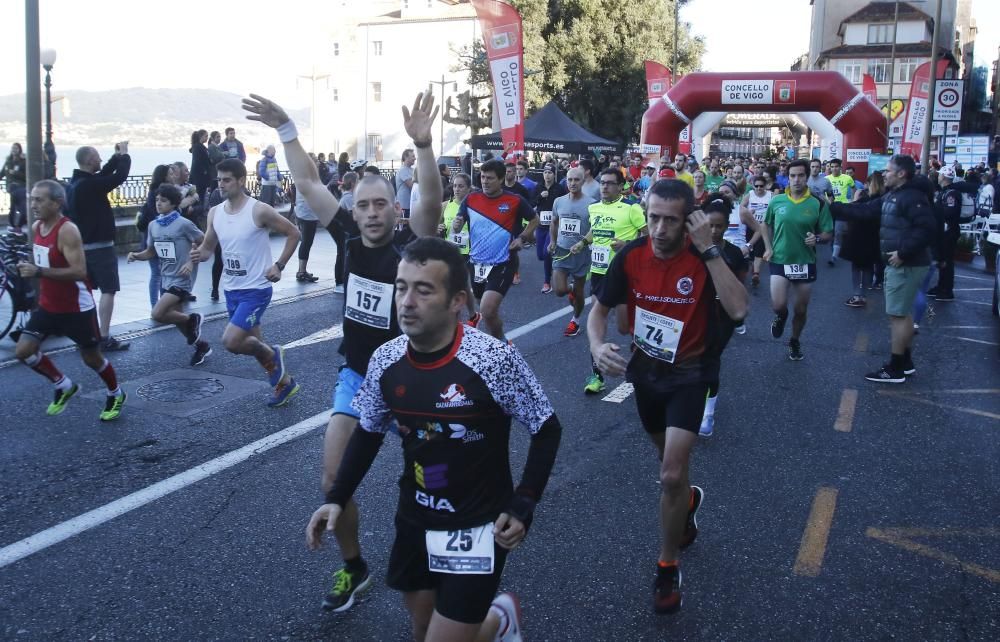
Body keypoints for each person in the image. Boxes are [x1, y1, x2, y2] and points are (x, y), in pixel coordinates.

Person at [243, 88, 443, 612]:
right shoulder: (349, 237)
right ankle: (354, 567)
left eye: (381, 204)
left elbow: (432, 202)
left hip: (415, 381)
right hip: (359, 377)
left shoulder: (412, 243)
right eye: (363, 205)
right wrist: (287, 128)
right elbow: (307, 180)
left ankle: (443, 565)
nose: (372, 213)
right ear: (352, 210)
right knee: (333, 481)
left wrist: (423, 147)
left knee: (431, 484)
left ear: (394, 209)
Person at [307, 237, 562, 642]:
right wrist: (336, 497)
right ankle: (500, 621)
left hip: (479, 525)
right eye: (402, 287)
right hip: (416, 518)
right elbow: (369, 431)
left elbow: (546, 428)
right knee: (422, 628)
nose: (407, 301)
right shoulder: (386, 360)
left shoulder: (493, 360)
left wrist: (524, 501)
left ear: (457, 300)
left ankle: (495, 619)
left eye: (424, 290)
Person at [587, 179, 748, 615]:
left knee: (671, 474)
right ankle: (688, 502)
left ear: (688, 221)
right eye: (653, 216)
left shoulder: (708, 257)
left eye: (670, 220)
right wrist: (597, 346)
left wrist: (709, 249)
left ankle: (667, 565)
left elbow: (738, 309)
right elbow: (598, 312)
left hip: (691, 374)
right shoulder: (632, 256)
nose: (659, 228)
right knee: (668, 467)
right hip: (647, 375)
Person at [190, 158, 302, 406]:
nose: (221, 185)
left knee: (232, 341)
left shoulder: (258, 210)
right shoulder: (215, 213)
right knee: (254, 344)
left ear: (241, 181)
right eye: (219, 180)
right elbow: (208, 247)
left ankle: (275, 353)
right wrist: (199, 255)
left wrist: (279, 265)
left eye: (227, 180)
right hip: (232, 290)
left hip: (256, 289)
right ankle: (286, 385)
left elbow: (294, 232)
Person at [14, 180, 127, 421]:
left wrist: (38, 272)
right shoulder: (36, 227)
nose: (33, 205)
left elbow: (79, 271)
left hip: (76, 308)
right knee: (23, 350)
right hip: (48, 305)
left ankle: (116, 393)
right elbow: (40, 264)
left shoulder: (67, 230)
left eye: (39, 200)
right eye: (32, 199)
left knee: (91, 358)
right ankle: (63, 384)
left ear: (57, 203)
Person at [830, 155, 936, 382]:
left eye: (888, 171)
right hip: (902, 263)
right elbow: (866, 210)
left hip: (906, 264)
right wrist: (833, 207)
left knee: (897, 315)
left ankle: (895, 367)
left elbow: (927, 228)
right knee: (902, 313)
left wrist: (903, 253)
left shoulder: (911, 197)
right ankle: (905, 362)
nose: (884, 174)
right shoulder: (894, 195)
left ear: (901, 174)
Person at [127, 184, 211, 366]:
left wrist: (191, 261)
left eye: (163, 201)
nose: (159, 203)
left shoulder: (184, 224)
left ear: (173, 204)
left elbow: (203, 242)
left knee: (157, 314)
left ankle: (193, 318)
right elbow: (151, 252)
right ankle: (201, 346)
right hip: (166, 276)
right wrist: (136, 255)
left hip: (183, 277)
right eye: (157, 200)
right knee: (178, 321)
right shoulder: (153, 226)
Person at [454, 159, 537, 340]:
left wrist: (522, 238)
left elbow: (534, 220)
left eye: (490, 178)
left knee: (487, 310)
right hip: (476, 262)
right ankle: (497, 336)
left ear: (500, 179)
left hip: (503, 262)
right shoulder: (471, 198)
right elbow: (457, 226)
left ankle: (501, 342)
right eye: (483, 177)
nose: (484, 181)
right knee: (482, 304)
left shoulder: (514, 200)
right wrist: (456, 224)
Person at [760, 159, 834, 361]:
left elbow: (828, 233)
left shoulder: (817, 203)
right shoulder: (777, 201)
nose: (796, 179)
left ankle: (794, 340)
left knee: (800, 309)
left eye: (801, 175)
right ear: (788, 177)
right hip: (780, 259)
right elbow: (765, 225)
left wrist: (817, 238)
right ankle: (781, 317)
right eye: (792, 175)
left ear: (807, 176)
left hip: (804, 262)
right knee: (778, 304)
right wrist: (767, 247)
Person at [582, 167, 648, 394]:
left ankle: (643, 364)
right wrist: (582, 243)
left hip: (624, 274)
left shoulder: (632, 208)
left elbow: (648, 236)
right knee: (596, 320)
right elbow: (596, 229)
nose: (604, 187)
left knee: (623, 327)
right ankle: (596, 375)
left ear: (621, 187)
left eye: (610, 183)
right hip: (599, 272)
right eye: (602, 183)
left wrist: (627, 246)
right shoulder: (594, 207)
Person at [69, 142, 132, 352]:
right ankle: (104, 335)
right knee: (108, 289)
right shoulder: (89, 185)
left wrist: (115, 157)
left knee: (85, 292)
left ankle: (88, 334)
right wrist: (124, 156)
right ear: (89, 160)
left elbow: (103, 174)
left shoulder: (77, 183)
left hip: (83, 247)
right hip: (100, 247)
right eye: (97, 157)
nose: (100, 160)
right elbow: (117, 178)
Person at [699, 195, 750, 437]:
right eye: (710, 225)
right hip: (696, 313)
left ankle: (708, 414)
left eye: (720, 226)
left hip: (723, 316)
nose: (715, 230)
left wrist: (737, 315)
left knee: (711, 359)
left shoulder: (734, 254)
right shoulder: (691, 251)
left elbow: (741, 290)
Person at [549, 166, 594, 337]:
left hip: (581, 253)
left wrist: (583, 243)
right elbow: (554, 222)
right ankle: (571, 288)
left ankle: (575, 320)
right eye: (570, 180)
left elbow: (595, 228)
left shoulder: (591, 204)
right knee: (559, 290)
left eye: (576, 180)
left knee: (580, 293)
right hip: (562, 250)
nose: (572, 183)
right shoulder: (559, 201)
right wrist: (552, 241)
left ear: (583, 181)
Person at [842, 172, 884, 308]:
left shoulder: (864, 196)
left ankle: (856, 295)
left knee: (856, 267)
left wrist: (854, 199)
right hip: (875, 237)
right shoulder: (884, 198)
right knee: (868, 267)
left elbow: (853, 211)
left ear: (870, 183)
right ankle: (863, 295)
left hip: (859, 236)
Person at [442, 172, 479, 323]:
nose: (457, 189)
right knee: (453, 285)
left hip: (469, 252)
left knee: (469, 287)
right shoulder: (445, 205)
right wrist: (438, 227)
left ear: (469, 189)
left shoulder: (474, 207)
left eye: (461, 186)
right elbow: (435, 225)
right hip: (450, 252)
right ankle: (464, 316)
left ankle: (472, 314)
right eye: (455, 186)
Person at [136, 164, 172, 306]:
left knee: (159, 273)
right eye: (170, 174)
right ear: (163, 176)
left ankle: (158, 305)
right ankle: (158, 305)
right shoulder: (161, 193)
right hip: (158, 238)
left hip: (154, 237)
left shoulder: (153, 192)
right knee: (159, 274)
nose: (173, 176)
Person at [532, 163, 566, 294]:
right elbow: (531, 203)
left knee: (546, 254)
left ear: (554, 174)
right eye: (545, 172)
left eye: (550, 172)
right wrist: (540, 197)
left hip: (554, 225)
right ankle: (556, 257)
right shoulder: (538, 187)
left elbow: (564, 203)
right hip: (541, 225)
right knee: (541, 255)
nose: (547, 175)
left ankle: (547, 282)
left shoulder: (559, 188)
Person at [740, 175, 773, 291]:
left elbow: (775, 209)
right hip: (750, 226)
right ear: (753, 186)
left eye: (761, 186)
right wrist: (749, 211)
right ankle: (750, 269)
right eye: (756, 186)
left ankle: (756, 274)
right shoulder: (750, 195)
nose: (759, 188)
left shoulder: (770, 196)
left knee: (759, 249)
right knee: (750, 251)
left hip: (763, 227)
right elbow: (741, 208)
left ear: (765, 186)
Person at [826, 159, 855, 267]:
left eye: (836, 166)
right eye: (832, 166)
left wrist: (852, 200)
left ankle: (834, 257)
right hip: (830, 208)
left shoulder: (847, 178)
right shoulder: (826, 179)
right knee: (831, 233)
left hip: (842, 208)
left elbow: (853, 188)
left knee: (838, 232)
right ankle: (834, 251)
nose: (834, 169)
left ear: (840, 167)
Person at [294, 185, 321, 283]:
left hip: (304, 212)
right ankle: (301, 271)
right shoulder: (306, 179)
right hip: (307, 214)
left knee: (306, 242)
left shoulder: (302, 177)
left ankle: (302, 270)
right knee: (306, 242)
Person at [1, 142, 27, 231]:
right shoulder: (8, 161)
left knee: (19, 207)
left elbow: (26, 176)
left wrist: (16, 173)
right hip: (11, 187)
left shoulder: (23, 162)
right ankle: (15, 225)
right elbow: (2, 173)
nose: (14, 150)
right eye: (13, 148)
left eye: (16, 148)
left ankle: (18, 225)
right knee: (13, 207)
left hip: (20, 187)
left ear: (19, 150)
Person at [189, 129, 213, 204]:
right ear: (201, 136)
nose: (207, 138)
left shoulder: (201, 147)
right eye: (206, 136)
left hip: (202, 176)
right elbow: (198, 161)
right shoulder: (197, 147)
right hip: (199, 177)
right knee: (199, 195)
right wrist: (204, 171)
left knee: (202, 194)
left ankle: (201, 209)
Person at [396, 148, 416, 221]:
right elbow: (412, 185)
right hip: (404, 206)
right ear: (406, 157)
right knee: (404, 227)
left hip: (411, 205)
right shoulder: (403, 170)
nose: (415, 158)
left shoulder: (412, 170)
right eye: (413, 156)